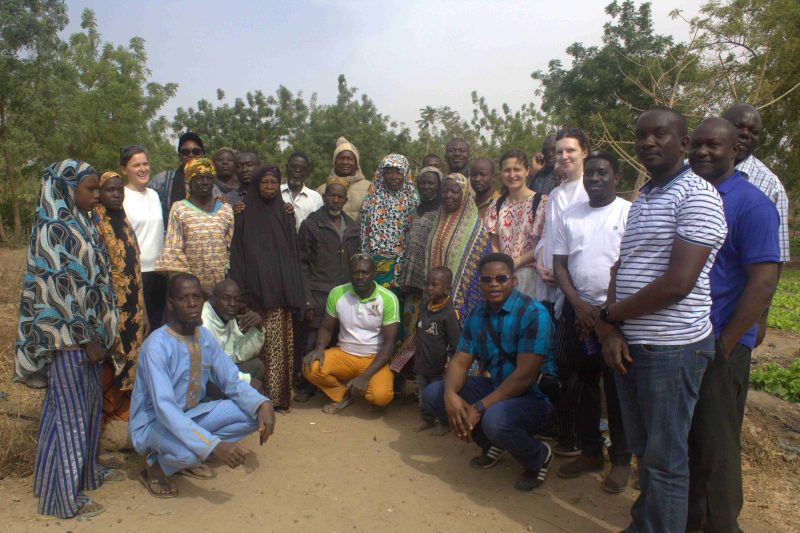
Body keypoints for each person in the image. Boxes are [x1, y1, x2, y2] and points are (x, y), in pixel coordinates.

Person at [595, 107, 727, 532]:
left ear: (683, 143)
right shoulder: (646, 196)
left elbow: (678, 284)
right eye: (641, 136)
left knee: (665, 460)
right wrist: (611, 329)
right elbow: (622, 267)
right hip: (631, 343)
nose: (647, 142)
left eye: (660, 134)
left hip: (672, 347)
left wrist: (609, 315)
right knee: (644, 451)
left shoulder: (698, 196)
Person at [687, 118, 780, 533]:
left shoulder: (751, 204)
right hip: (685, 341)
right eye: (697, 145)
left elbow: (763, 282)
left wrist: (724, 344)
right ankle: (691, 521)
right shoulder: (689, 196)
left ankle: (723, 525)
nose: (703, 152)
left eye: (714, 145)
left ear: (735, 151)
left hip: (721, 343)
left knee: (717, 447)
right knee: (689, 441)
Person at [15, 160, 120, 518]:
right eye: (90, 189)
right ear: (66, 188)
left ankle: (76, 477)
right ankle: (62, 500)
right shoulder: (54, 229)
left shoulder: (82, 221)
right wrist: (85, 339)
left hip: (88, 338)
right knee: (69, 419)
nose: (97, 195)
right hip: (69, 341)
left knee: (82, 411)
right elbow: (59, 292)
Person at [130, 273, 275, 499]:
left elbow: (231, 379)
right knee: (190, 453)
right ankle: (156, 467)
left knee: (253, 414)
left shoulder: (204, 337)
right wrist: (213, 446)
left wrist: (263, 403)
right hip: (154, 423)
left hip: (190, 415)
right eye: (183, 298)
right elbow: (165, 408)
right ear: (170, 303)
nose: (192, 304)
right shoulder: (156, 346)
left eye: (196, 297)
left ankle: (189, 451)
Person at [421, 253, 557, 492]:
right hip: (498, 387)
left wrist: (478, 408)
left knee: (495, 419)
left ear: (514, 280)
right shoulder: (477, 314)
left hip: (535, 397)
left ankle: (538, 456)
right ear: (480, 283)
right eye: (487, 279)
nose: (494, 284)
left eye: (501, 278)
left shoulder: (534, 314)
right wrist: (450, 395)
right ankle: (492, 444)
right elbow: (459, 362)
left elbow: (525, 376)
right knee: (434, 394)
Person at [551, 152, 632, 493]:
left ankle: (622, 459)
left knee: (617, 389)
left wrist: (604, 313)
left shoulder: (628, 212)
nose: (595, 178)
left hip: (616, 316)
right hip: (578, 313)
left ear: (616, 177)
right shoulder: (570, 216)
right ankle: (590, 452)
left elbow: (626, 266)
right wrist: (580, 307)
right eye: (591, 173)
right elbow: (560, 266)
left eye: (603, 172)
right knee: (581, 386)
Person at [230, 165, 305, 411]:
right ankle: (254, 401)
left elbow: (292, 254)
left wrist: (294, 292)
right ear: (256, 185)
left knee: (278, 349)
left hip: (279, 294)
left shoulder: (285, 213)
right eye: (265, 182)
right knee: (253, 349)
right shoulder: (243, 212)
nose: (269, 187)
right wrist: (242, 297)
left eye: (274, 182)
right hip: (252, 295)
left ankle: (278, 399)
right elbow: (238, 255)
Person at [536, 127, 591, 457]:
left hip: (578, 294)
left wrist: (561, 272)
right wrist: (542, 264)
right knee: (556, 362)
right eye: (560, 151)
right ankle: (562, 430)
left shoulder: (590, 190)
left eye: (570, 150)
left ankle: (577, 437)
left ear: (584, 152)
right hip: (550, 287)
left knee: (575, 367)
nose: (564, 156)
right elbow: (548, 237)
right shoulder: (556, 194)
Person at [723, 104, 791, 346]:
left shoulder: (769, 185)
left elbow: (775, 260)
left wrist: (760, 317)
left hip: (732, 310)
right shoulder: (690, 169)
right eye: (738, 127)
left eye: (753, 131)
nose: (745, 134)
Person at [302, 254, 399, 414]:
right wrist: (319, 348)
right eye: (355, 272)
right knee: (310, 367)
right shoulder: (338, 293)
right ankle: (343, 394)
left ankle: (364, 385)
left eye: (364, 272)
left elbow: (390, 343)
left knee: (381, 397)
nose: (360, 277)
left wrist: (365, 376)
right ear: (350, 273)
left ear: (373, 273)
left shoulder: (388, 299)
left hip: (373, 358)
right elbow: (326, 328)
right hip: (344, 354)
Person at [92, 171, 147, 427]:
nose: (116, 194)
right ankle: (105, 418)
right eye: (109, 190)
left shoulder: (124, 223)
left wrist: (143, 311)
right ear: (100, 193)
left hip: (133, 309)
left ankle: (124, 416)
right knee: (111, 361)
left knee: (130, 360)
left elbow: (135, 269)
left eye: (119, 190)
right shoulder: (95, 225)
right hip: (110, 310)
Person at [155, 158, 234, 297]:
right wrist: (200, 287)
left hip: (221, 291)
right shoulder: (179, 209)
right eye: (199, 178)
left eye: (209, 177)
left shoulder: (226, 210)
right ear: (189, 182)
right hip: (190, 290)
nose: (205, 182)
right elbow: (174, 253)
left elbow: (231, 250)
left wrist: (225, 287)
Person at [426, 173, 492, 322]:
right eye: (444, 191)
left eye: (454, 191)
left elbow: (477, 271)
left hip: (459, 305)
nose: (448, 195)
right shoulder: (437, 222)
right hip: (433, 302)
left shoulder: (476, 231)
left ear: (464, 195)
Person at [486, 149, 547, 299]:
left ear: (527, 171)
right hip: (504, 279)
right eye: (507, 170)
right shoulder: (496, 205)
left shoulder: (542, 202)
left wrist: (513, 263)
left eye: (517, 169)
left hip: (532, 278)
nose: (512, 174)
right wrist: (503, 269)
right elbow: (494, 243)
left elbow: (542, 243)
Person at [120, 145, 166, 331]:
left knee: (159, 328)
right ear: (124, 170)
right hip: (136, 273)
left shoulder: (154, 195)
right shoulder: (121, 197)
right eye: (136, 165)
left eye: (145, 164)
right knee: (140, 329)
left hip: (160, 272)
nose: (142, 169)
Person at [360, 153, 418, 289]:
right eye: (389, 172)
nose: (393, 177)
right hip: (374, 265)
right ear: (382, 174)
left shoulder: (413, 201)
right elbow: (364, 234)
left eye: (398, 172)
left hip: (403, 265)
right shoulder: (371, 199)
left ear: (406, 174)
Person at [415, 267, 460, 434]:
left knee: (438, 396)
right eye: (427, 284)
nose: (429, 288)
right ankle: (427, 419)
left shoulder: (449, 314)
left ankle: (444, 422)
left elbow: (455, 345)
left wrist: (449, 368)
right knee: (423, 394)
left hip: (439, 368)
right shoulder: (424, 307)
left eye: (434, 285)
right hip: (422, 364)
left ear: (446, 288)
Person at [201, 279, 266, 393]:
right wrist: (247, 380)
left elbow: (237, 354)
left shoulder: (226, 316)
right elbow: (212, 368)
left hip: (223, 368)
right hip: (206, 375)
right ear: (213, 300)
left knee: (256, 366)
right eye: (226, 298)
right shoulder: (204, 323)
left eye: (236, 300)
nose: (232, 304)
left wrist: (258, 327)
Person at [400, 165, 442, 336]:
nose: (426, 186)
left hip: (430, 280)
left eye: (431, 183)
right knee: (409, 330)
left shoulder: (442, 212)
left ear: (439, 185)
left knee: (428, 331)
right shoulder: (414, 210)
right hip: (411, 283)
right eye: (423, 183)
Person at [150, 131, 205, 224]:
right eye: (185, 152)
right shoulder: (164, 180)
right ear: (179, 156)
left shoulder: (211, 186)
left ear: (203, 155)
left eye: (196, 152)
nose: (191, 155)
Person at [315, 137, 371, 221]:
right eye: (341, 158)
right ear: (335, 161)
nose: (345, 162)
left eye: (349, 159)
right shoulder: (321, 190)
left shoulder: (370, 188)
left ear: (356, 163)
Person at [281, 151, 323, 230]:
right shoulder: (276, 192)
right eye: (293, 166)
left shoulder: (316, 198)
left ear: (307, 171)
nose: (297, 170)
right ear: (287, 167)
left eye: (302, 168)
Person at [469, 157, 500, 222]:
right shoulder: (468, 204)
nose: (477, 179)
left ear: (493, 177)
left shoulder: (501, 205)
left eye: (483, 175)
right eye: (474, 175)